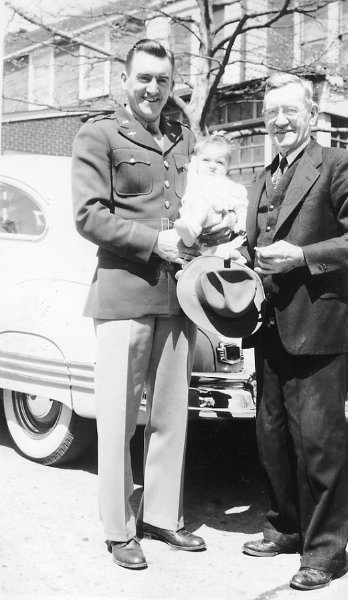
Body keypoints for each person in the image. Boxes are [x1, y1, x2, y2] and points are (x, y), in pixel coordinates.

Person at [241, 72, 348, 591]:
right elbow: (253, 247)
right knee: (273, 437)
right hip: (269, 329)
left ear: (313, 114)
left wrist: (302, 256)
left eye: (290, 111)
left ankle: (327, 552)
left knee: (321, 443)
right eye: (271, 111)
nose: (279, 120)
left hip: (320, 326)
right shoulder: (260, 180)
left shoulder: (340, 165)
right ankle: (287, 528)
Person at [71, 39, 207, 570]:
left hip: (178, 297)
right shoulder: (98, 134)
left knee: (172, 415)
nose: (154, 89)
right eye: (144, 78)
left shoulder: (180, 138)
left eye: (163, 80)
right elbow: (88, 216)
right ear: (123, 81)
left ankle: (161, 516)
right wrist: (157, 242)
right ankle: (118, 527)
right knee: (119, 419)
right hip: (124, 295)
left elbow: (190, 203)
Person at [174, 133, 247, 259]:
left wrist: (241, 223)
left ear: (228, 167)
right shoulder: (194, 180)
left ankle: (192, 230)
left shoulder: (227, 185)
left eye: (219, 163)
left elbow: (241, 207)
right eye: (206, 160)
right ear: (197, 162)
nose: (212, 166)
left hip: (214, 218)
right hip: (192, 222)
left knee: (204, 204)